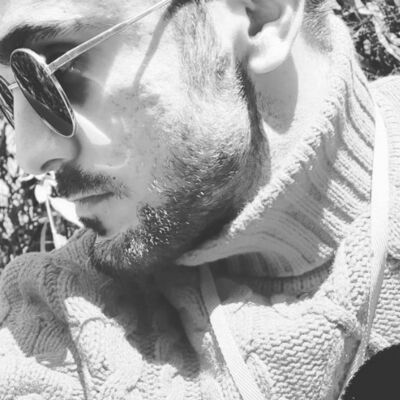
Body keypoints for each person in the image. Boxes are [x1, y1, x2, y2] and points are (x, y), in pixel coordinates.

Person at [0, 0, 399, 398]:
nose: (31, 154)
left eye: (55, 70)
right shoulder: (55, 318)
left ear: (262, 16)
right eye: (6, 92)